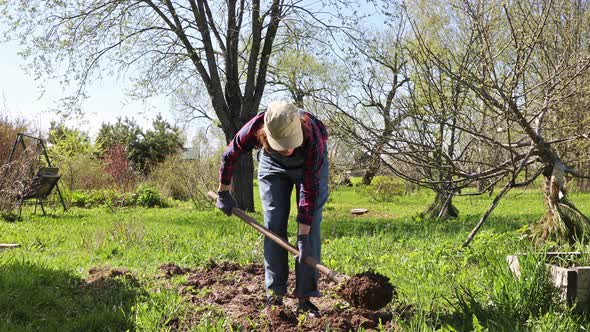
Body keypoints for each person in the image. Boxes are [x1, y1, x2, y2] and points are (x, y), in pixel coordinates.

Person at [215, 101, 329, 317]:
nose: (287, 149)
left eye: (290, 143)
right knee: (274, 225)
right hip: (271, 165)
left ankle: (304, 299)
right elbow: (229, 155)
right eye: (281, 144)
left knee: (310, 230)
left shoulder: (314, 134)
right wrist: (223, 191)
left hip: (309, 167)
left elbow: (310, 189)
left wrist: (303, 236)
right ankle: (275, 295)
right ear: (265, 135)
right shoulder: (254, 127)